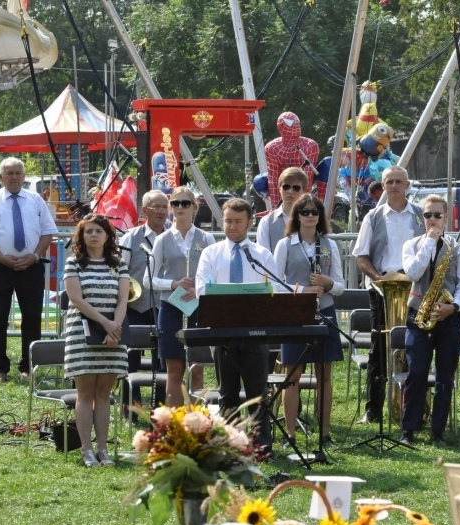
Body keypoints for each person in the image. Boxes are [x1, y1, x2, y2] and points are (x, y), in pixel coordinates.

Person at [195, 198, 279, 456]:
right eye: (228, 221)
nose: (232, 226)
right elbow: (201, 289)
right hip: (222, 332)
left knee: (257, 391)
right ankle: (228, 445)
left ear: (249, 222)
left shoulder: (262, 254)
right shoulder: (211, 253)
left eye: (238, 221)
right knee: (227, 392)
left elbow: (273, 289)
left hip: (254, 332)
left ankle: (260, 444)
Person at [0, 157, 58, 383]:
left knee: (32, 318)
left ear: (24, 176)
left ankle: (28, 367)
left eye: (19, 172)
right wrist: (2, 258)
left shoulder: (36, 200)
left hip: (32, 266)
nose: (15, 177)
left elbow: (48, 231)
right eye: (9, 173)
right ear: (0, 177)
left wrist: (35, 256)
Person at [351, 166, 425, 424]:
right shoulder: (373, 217)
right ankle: (374, 410)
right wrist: (378, 280)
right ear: (383, 186)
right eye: (388, 182)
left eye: (398, 182)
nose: (393, 186)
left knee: (417, 347)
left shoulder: (420, 215)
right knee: (379, 350)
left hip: (415, 289)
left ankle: (414, 409)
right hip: (382, 290)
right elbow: (361, 256)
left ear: (407, 185)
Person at [400, 195, 460, 445]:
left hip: (448, 317)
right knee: (417, 372)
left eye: (437, 216)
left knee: (445, 376)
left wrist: (453, 307)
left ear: (446, 217)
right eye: (427, 215)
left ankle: (438, 431)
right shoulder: (412, 245)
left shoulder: (458, 248)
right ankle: (408, 428)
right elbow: (413, 272)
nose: (432, 220)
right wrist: (430, 243)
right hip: (418, 314)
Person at [273, 194, 345, 447]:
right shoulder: (285, 245)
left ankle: (325, 434)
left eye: (315, 211)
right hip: (294, 314)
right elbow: (274, 283)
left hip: (324, 312)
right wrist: (303, 291)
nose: (310, 215)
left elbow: (340, 286)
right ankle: (290, 435)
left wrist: (328, 283)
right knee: (292, 375)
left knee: (324, 375)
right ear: (297, 216)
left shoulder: (329, 244)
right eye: (304, 211)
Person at [62, 214, 130, 467]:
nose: (93, 235)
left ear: (107, 236)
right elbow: (77, 300)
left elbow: (123, 300)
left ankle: (103, 449)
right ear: (81, 236)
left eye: (98, 231)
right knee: (85, 393)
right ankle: (86, 451)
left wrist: (115, 329)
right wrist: (105, 323)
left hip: (114, 334)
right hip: (83, 334)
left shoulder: (118, 264)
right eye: (88, 231)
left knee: (104, 393)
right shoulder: (73, 264)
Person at [143, 186, 215, 407]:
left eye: (185, 203)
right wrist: (173, 284)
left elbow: (215, 275)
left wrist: (199, 288)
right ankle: (173, 423)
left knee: (196, 367)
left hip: (199, 306)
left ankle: (196, 422)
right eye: (175, 203)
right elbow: (148, 279)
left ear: (194, 207)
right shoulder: (162, 239)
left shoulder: (207, 238)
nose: (180, 208)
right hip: (171, 307)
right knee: (174, 370)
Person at [119, 190, 169, 416]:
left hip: (165, 306)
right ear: (145, 210)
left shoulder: (172, 236)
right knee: (131, 358)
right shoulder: (131, 237)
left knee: (163, 359)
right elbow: (120, 270)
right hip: (136, 306)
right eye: (156, 206)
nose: (161, 211)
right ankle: (131, 407)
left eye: (164, 207)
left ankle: (160, 408)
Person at [256, 167, 309, 253]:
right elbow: (263, 257)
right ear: (279, 188)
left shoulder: (312, 219)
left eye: (296, 188)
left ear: (304, 190)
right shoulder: (266, 222)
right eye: (286, 187)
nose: (290, 191)